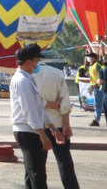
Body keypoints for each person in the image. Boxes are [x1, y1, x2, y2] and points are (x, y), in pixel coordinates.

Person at [11, 43, 62, 189]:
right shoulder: (22, 81)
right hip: (28, 131)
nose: (37, 64)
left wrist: (52, 127)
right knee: (37, 173)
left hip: (32, 129)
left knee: (32, 172)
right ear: (29, 62)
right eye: (37, 61)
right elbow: (30, 111)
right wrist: (42, 135)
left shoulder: (28, 79)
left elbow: (38, 107)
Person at [34, 53, 80, 188]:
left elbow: (28, 100)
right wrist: (66, 124)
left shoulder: (27, 75)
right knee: (65, 162)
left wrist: (46, 103)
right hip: (58, 123)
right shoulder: (57, 73)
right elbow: (65, 102)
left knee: (37, 165)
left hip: (37, 125)